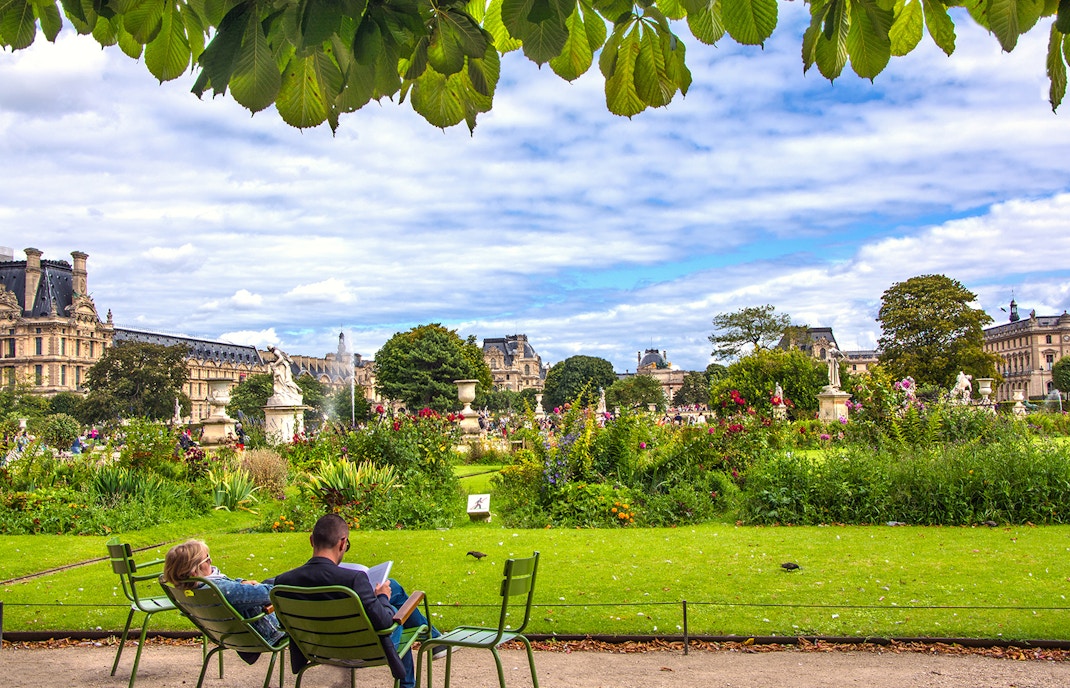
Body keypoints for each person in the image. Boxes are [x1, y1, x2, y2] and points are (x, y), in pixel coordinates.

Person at [270, 514, 440, 686]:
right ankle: (417, 670)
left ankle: (435, 642)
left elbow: (285, 625)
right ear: (343, 543)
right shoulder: (353, 580)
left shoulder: (283, 583)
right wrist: (382, 597)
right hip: (365, 650)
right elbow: (384, 623)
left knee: (392, 590)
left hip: (317, 650)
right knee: (397, 614)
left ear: (311, 540)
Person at [162, 540, 285, 647]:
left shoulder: (192, 592)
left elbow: (232, 592)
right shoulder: (220, 590)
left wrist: (241, 583)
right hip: (269, 633)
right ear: (194, 571)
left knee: (280, 580)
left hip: (229, 637)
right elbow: (272, 593)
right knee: (291, 583)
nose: (211, 560)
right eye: (207, 559)